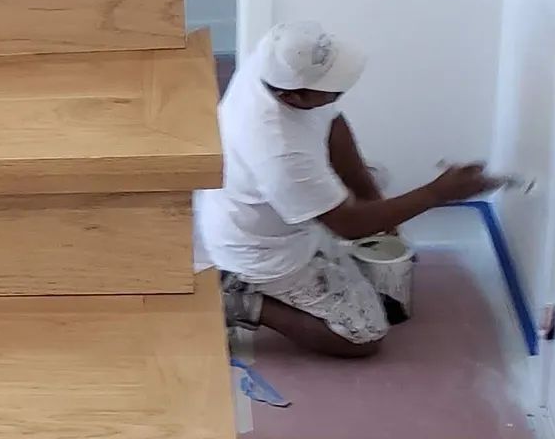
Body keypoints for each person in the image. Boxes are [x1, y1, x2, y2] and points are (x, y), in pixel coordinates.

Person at [196, 20, 494, 360]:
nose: (339, 91)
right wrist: (437, 193)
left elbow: (332, 122)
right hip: (259, 251)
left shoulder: (274, 61)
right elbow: (348, 225)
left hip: (254, 206)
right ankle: (238, 299)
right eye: (330, 88)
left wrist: (371, 198)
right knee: (364, 336)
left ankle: (351, 222)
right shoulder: (279, 150)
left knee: (377, 178)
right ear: (292, 96)